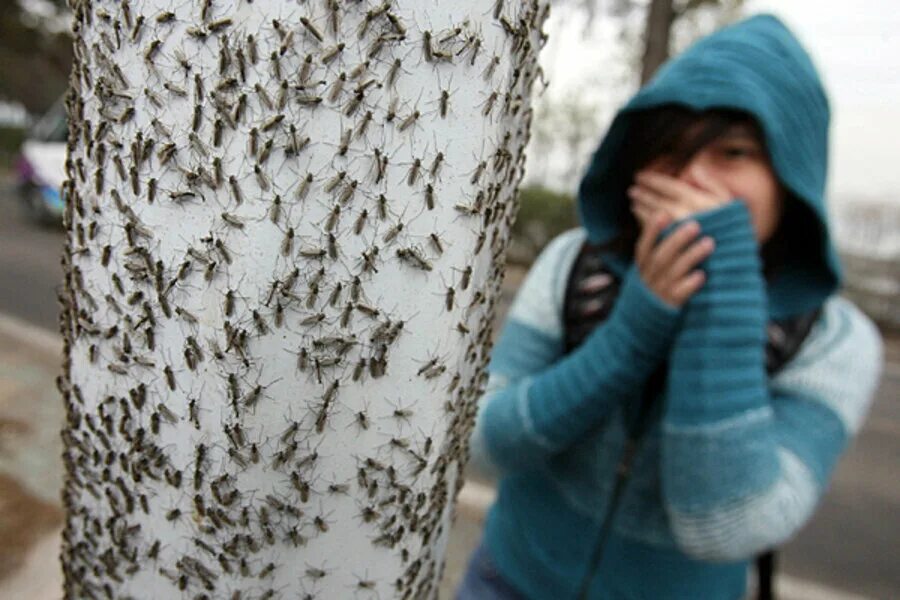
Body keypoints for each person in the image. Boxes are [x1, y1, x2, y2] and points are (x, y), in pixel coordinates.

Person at [458, 13, 884, 600]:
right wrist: (636, 326)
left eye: (733, 152)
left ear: (791, 174)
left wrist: (723, 287)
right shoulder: (574, 264)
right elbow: (487, 443)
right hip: (508, 580)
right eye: (669, 153)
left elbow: (727, 522)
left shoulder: (835, 339)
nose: (694, 181)